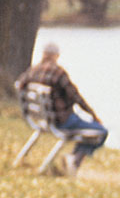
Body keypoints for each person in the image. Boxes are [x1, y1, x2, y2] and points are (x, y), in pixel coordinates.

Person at [15, 42, 108, 176]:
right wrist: (93, 115)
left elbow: (19, 84)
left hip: (40, 119)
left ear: (43, 55)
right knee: (101, 132)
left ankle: (72, 160)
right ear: (56, 56)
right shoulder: (58, 73)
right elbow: (76, 97)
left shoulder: (33, 70)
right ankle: (75, 159)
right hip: (62, 121)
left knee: (88, 129)